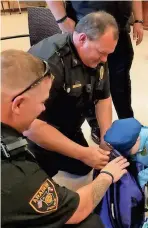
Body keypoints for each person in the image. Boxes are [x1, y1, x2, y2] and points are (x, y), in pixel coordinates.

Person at [1, 49, 130, 227]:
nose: (43, 109)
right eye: (41, 102)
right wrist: (107, 175)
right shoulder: (17, 176)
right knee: (91, 223)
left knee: (81, 168)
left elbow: (103, 98)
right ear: (18, 104)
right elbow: (77, 210)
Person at [25, 12, 118, 177]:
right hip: (36, 132)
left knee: (83, 168)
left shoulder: (99, 56)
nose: (104, 59)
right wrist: (82, 153)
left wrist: (105, 137)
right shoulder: (48, 64)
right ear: (82, 39)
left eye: (108, 54)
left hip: (69, 124)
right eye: (101, 52)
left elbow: (103, 97)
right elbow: (30, 125)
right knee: (42, 179)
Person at [46, 0, 144, 143]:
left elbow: (104, 94)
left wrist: (138, 20)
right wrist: (62, 20)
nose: (104, 60)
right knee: (89, 82)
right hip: (88, 27)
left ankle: (127, 121)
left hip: (119, 28)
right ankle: (95, 124)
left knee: (120, 81)